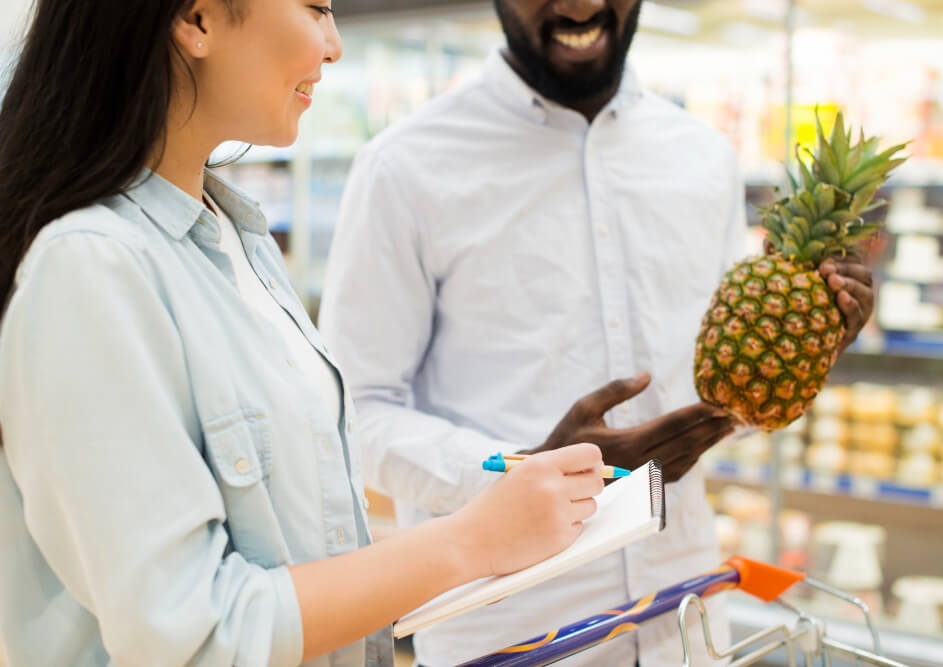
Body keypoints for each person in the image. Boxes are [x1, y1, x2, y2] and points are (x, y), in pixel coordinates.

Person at [0, 1, 609, 665]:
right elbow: (198, 633)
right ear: (197, 19)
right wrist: (473, 540)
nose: (333, 44)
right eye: (315, 8)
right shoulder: (89, 268)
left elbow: (294, 552)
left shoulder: (237, 238)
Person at [318, 0, 875, 664]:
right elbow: (355, 414)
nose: (580, 4)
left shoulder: (704, 157)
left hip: (687, 622)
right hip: (513, 630)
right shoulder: (404, 167)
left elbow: (730, 393)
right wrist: (527, 468)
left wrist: (808, 344)